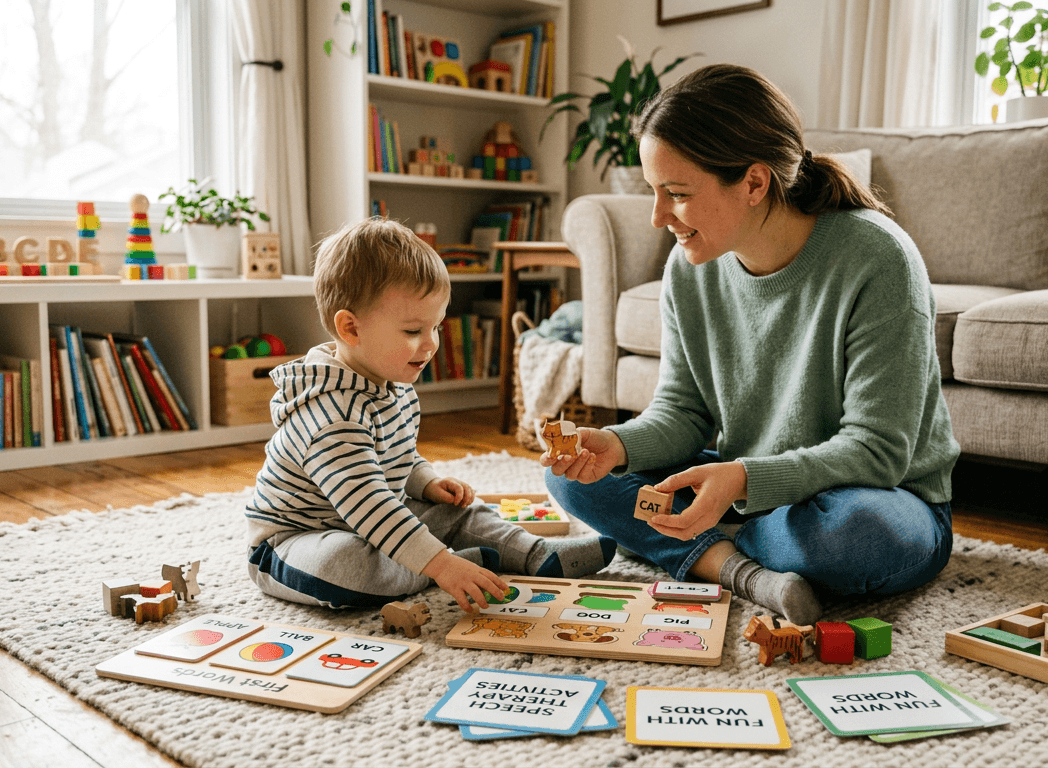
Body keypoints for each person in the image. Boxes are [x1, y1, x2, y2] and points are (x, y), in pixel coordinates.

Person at [544, 64, 959, 626]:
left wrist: (740, 482)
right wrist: (616, 446)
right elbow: (683, 413)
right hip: (753, 483)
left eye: (677, 194)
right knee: (574, 478)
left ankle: (708, 538)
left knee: (855, 538)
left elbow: (878, 452)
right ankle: (742, 571)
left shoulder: (878, 258)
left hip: (876, 497)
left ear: (755, 183)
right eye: (654, 192)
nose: (658, 216)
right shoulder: (689, 271)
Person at [246, 218, 615, 611]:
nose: (431, 344)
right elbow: (370, 505)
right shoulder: (330, 417)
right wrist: (441, 564)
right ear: (351, 328)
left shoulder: (393, 382)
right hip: (297, 540)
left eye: (436, 327)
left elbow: (394, 453)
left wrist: (424, 481)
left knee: (456, 511)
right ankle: (430, 570)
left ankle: (534, 552)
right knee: (344, 565)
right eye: (412, 331)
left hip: (370, 518)